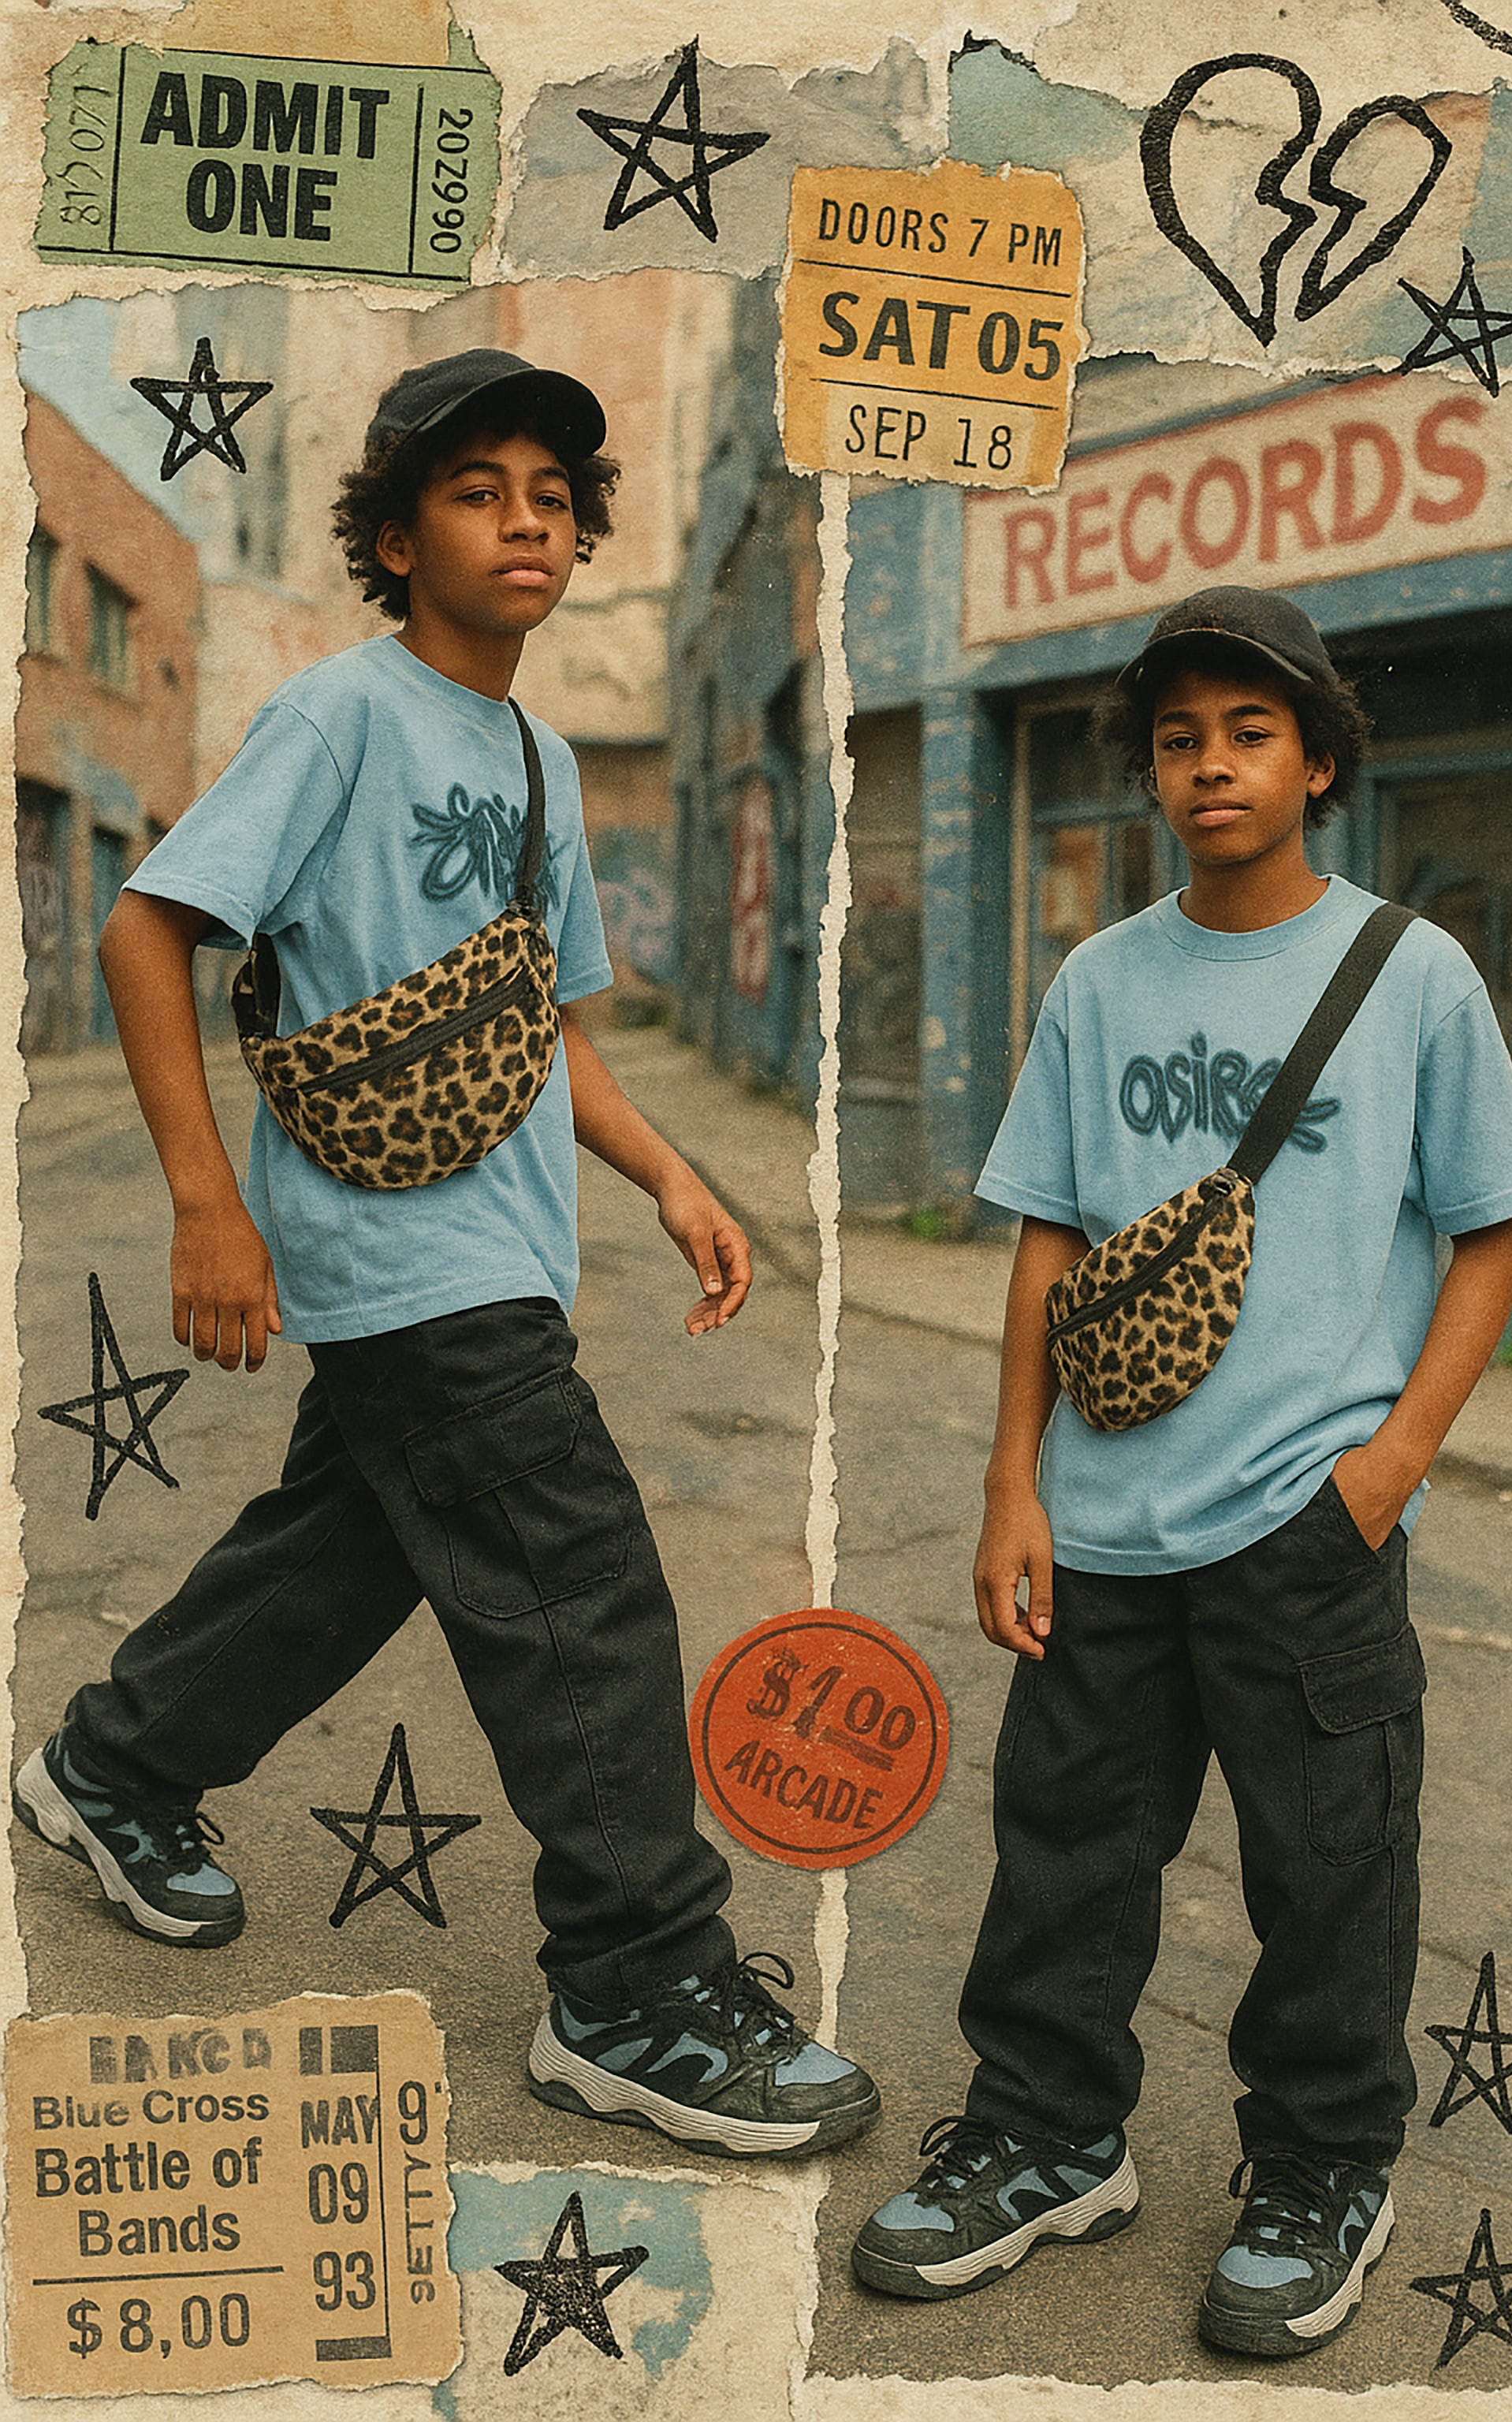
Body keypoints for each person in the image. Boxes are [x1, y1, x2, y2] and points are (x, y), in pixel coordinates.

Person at [13, 348, 879, 2164]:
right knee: (580, 1582)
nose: (526, 523)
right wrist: (205, 1204)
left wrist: (672, 1180)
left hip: (503, 1247)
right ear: (397, 539)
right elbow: (145, 930)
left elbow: (542, 1026)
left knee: (345, 1557)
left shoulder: (540, 760)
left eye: (553, 497)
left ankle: (113, 1766)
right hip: (396, 1251)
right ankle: (630, 1988)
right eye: (479, 492)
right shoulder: (343, 716)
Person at [851, 587, 1512, 2350]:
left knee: (1329, 1866)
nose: (1211, 765)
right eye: (1179, 740)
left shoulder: (1411, 973)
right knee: (1064, 1851)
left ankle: (1320, 2165)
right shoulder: (1098, 978)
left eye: (1250, 732)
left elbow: (1492, 1232)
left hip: (1310, 1519)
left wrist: (1388, 1465)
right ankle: (1045, 2136)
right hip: (1102, 1520)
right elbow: (1049, 1236)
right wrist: (1013, 1482)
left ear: (1318, 763)